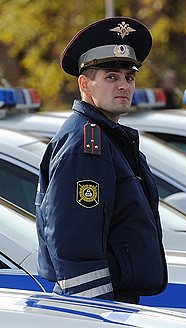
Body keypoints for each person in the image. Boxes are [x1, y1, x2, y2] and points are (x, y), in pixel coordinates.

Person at [36, 17, 167, 303]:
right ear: (85, 84)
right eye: (111, 77)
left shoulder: (107, 137)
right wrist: (97, 312)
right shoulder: (86, 145)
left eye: (129, 77)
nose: (123, 85)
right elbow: (74, 240)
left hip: (116, 300)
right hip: (100, 304)